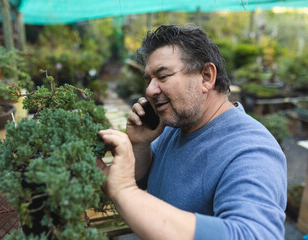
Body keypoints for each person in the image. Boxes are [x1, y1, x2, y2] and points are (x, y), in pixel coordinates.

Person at [97, 25, 287, 240]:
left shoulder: (251, 151)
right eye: (148, 80)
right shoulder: (176, 125)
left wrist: (124, 192)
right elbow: (143, 179)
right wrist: (140, 145)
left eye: (163, 76)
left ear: (206, 76)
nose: (150, 90)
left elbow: (252, 235)